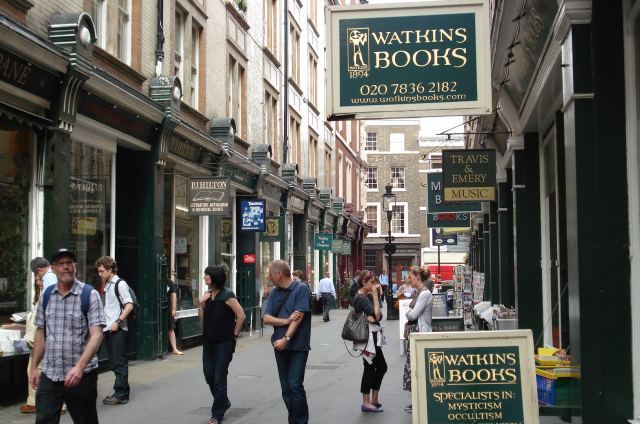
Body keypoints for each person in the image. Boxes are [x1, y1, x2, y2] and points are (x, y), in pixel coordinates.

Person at [31, 248, 105, 424]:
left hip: (81, 376)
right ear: (54, 268)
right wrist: (34, 367)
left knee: (85, 421)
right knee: (44, 420)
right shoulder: (47, 296)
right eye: (61, 264)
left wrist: (79, 367)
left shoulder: (89, 294)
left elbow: (96, 335)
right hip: (50, 374)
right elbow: (41, 332)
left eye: (69, 263)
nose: (66, 267)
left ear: (75, 267)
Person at [263, 260, 312, 424]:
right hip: (279, 347)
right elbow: (266, 318)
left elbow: (299, 318)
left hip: (298, 346)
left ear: (279, 275)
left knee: (295, 385)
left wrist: (286, 338)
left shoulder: (302, 289)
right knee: (286, 388)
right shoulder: (274, 292)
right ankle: (294, 420)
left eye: (270, 274)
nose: (268, 277)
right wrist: (285, 321)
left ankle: (301, 421)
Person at [198, 265, 246, 424]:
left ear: (214, 277)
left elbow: (241, 316)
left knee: (219, 378)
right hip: (208, 342)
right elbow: (202, 319)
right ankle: (223, 401)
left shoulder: (227, 294)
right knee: (208, 375)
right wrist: (201, 303)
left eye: (206, 276)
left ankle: (217, 414)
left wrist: (234, 335)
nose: (204, 278)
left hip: (224, 343)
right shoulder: (207, 295)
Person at [95, 256, 133, 405]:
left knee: (119, 361)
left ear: (110, 269)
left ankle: (122, 394)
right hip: (108, 328)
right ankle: (121, 390)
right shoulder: (108, 284)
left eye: (102, 271)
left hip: (117, 328)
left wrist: (118, 322)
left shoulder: (119, 284)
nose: (99, 274)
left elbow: (129, 305)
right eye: (98, 271)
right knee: (114, 362)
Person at [352, 271, 387, 413]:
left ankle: (373, 399)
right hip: (368, 338)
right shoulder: (361, 298)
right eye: (372, 282)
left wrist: (375, 315)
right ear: (364, 282)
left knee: (379, 367)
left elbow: (379, 316)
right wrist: (377, 297)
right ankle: (367, 402)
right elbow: (376, 314)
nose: (375, 285)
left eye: (375, 282)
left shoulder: (366, 296)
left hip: (373, 335)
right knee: (370, 367)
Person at [402, 266, 433, 413]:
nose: (409, 279)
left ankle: (420, 402)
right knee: (413, 367)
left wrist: (407, 311)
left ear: (418, 277)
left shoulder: (424, 294)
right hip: (414, 334)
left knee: (417, 368)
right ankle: (416, 400)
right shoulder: (420, 293)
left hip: (420, 333)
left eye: (411, 276)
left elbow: (413, 315)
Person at [167, 279, 183, 355]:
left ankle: (174, 348)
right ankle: (174, 348)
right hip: (167, 309)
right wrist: (174, 309)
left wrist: (173, 309)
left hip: (168, 309)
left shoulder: (169, 282)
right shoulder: (169, 282)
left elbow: (174, 295)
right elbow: (174, 295)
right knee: (171, 329)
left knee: (171, 328)